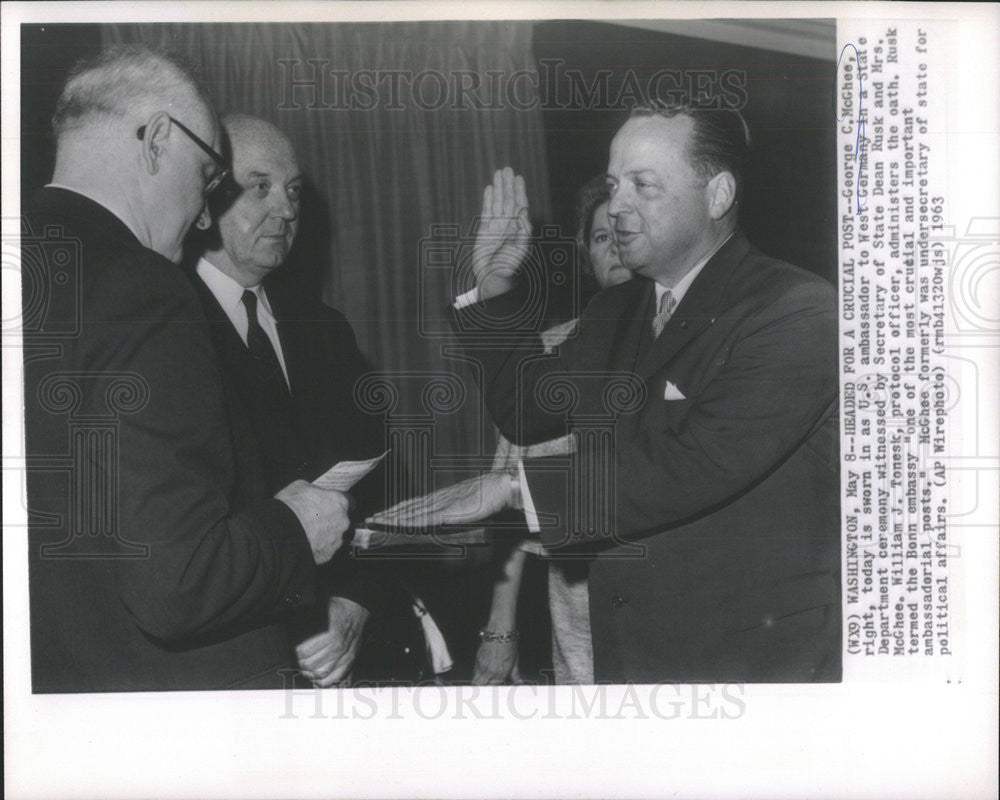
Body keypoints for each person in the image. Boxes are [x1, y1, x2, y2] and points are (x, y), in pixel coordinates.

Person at [373, 104, 841, 683]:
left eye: (643, 185)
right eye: (616, 184)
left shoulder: (796, 309)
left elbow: (693, 461)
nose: (617, 204)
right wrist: (491, 284)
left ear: (718, 196)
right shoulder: (617, 309)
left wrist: (513, 489)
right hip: (629, 656)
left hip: (753, 663)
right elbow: (527, 410)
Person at [22, 46, 351, 692]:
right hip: (176, 712)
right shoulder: (144, 287)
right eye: (206, 177)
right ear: (158, 141)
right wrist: (294, 528)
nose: (205, 214)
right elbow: (176, 582)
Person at [191, 114, 424, 686]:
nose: (289, 210)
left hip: (345, 652)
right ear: (203, 197)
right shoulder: (167, 326)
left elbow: (380, 488)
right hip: (231, 655)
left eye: (293, 190)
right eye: (261, 186)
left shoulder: (324, 330)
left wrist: (354, 603)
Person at [473, 175, 630, 685]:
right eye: (603, 236)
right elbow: (510, 509)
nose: (618, 246)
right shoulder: (551, 354)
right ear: (586, 252)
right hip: (578, 646)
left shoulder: (696, 338)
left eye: (625, 230)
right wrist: (500, 631)